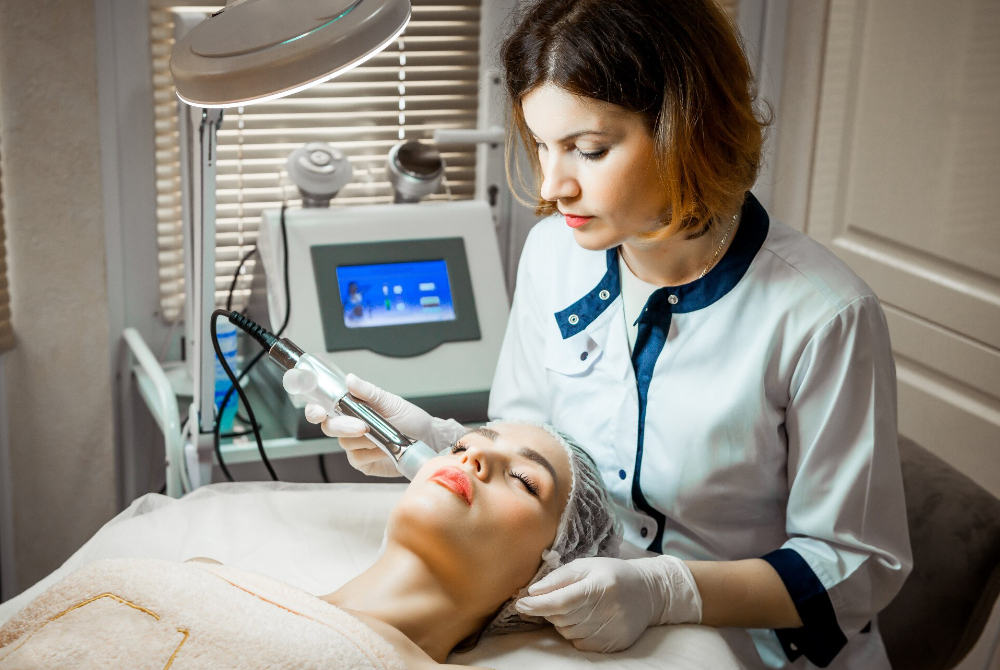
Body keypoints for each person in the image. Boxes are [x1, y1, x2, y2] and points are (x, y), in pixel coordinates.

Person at [306, 1, 913, 668]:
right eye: (541, 145)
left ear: (690, 130)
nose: (552, 185)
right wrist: (439, 442)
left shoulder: (823, 315)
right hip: (578, 614)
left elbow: (858, 567)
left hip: (752, 646)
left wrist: (667, 589)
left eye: (588, 150)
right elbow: (538, 449)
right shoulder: (552, 254)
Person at [0, 423, 623, 669]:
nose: (474, 456)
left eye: (525, 479)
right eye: (463, 444)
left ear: (543, 575)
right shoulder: (206, 573)